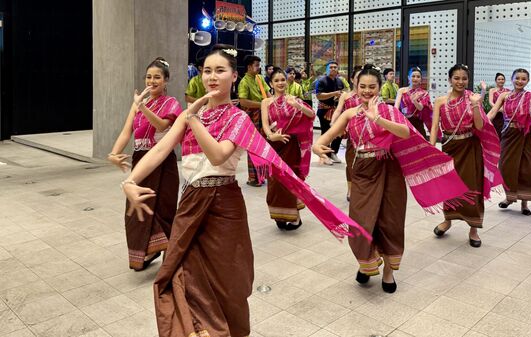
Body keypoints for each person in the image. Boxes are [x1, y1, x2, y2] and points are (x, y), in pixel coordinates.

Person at [121, 45, 367, 337]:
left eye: (220, 70)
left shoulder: (236, 118)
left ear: (233, 77)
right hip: (189, 203)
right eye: (207, 71)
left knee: (228, 280)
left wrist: (193, 119)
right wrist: (130, 181)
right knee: (178, 275)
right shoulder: (192, 114)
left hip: (223, 204)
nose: (212, 77)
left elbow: (217, 156)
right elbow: (161, 148)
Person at [313, 66, 473, 293]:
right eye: (362, 87)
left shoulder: (389, 111)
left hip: (389, 170)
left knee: (389, 222)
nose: (367, 91)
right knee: (360, 224)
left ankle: (388, 270)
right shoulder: (350, 113)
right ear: (356, 88)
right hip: (363, 173)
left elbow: (405, 133)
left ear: (379, 88)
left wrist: (378, 118)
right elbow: (325, 137)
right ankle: (367, 261)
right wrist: (318, 148)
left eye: (372, 87)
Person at [107, 57, 182, 271]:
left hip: (163, 162)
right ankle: (148, 250)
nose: (152, 81)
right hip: (141, 161)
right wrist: (114, 152)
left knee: (163, 209)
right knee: (135, 210)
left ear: (166, 80)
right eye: (148, 77)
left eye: (157, 77)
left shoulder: (172, 103)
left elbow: (161, 126)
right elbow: (126, 131)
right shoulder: (138, 103)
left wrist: (143, 107)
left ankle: (169, 252)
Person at [429, 64, 503, 247]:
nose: (460, 82)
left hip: (470, 148)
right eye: (457, 78)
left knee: (472, 186)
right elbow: (434, 126)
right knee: (449, 187)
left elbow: (479, 126)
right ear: (450, 79)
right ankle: (448, 220)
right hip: (449, 148)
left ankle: (473, 228)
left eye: (464, 78)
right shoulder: (440, 101)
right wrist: (430, 149)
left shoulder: (472, 98)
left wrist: (476, 105)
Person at [487, 68, 531, 216]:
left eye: (523, 79)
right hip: (508, 134)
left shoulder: (530, 96)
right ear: (512, 78)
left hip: (525, 136)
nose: (520, 81)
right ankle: (510, 197)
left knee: (525, 168)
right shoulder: (504, 95)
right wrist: (480, 123)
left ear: (527, 81)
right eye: (517, 78)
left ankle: (524, 203)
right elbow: (492, 112)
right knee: (505, 166)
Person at [261, 67, 315, 230]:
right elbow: (264, 124)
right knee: (275, 182)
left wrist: (297, 106)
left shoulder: (294, 99)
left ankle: (295, 217)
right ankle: (280, 213)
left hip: (291, 146)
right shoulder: (266, 102)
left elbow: (311, 115)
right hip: (274, 145)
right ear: (271, 83)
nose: (280, 83)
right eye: (276, 80)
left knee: (290, 180)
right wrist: (271, 136)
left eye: (282, 80)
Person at [238, 55, 271, 186]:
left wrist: (271, 102)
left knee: (265, 146)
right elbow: (243, 101)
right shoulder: (244, 82)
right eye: (256, 65)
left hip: (264, 115)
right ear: (249, 67)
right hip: (253, 118)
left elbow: (268, 95)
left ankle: (264, 174)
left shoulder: (259, 78)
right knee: (254, 146)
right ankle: (254, 178)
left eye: (258, 65)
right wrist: (263, 104)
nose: (259, 67)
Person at [331, 65, 363, 200]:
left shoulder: (369, 95)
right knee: (350, 163)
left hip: (367, 134)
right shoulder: (346, 95)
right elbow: (338, 110)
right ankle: (350, 190)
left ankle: (362, 189)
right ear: (352, 80)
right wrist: (333, 123)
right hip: (352, 134)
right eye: (358, 78)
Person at [316, 61, 346, 164]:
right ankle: (325, 156)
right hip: (324, 110)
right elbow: (319, 95)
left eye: (335, 67)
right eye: (331, 67)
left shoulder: (340, 81)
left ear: (338, 69)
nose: (333, 69)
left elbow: (342, 94)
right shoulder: (321, 81)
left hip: (336, 110)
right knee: (326, 133)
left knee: (339, 132)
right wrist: (334, 93)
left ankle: (334, 153)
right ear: (327, 69)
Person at [394, 67, 435, 139]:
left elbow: (421, 108)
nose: (415, 79)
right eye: (413, 76)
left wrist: (415, 101)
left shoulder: (424, 93)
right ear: (408, 77)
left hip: (418, 124)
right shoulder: (401, 91)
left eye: (418, 77)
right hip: (404, 123)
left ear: (421, 79)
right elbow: (396, 108)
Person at [488, 73, 511, 138]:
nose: (501, 80)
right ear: (496, 81)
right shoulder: (492, 90)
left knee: (504, 132)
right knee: (496, 132)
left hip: (505, 114)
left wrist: (504, 110)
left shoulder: (508, 91)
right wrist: (498, 109)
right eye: (499, 79)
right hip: (496, 113)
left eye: (502, 79)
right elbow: (490, 102)